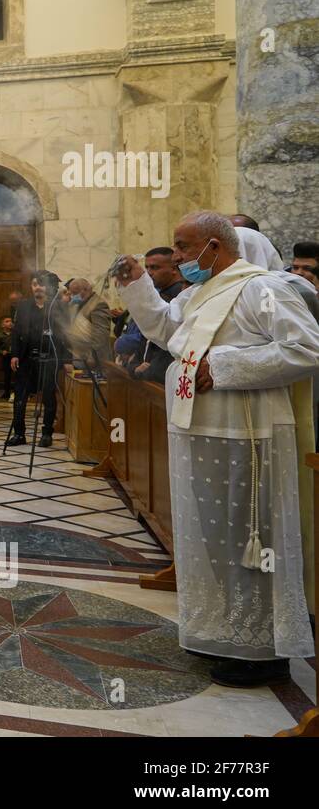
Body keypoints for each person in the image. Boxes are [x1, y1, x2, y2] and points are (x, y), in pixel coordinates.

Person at [115, 210, 318, 687]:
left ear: (215, 246)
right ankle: (222, 634)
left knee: (250, 537)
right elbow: (167, 331)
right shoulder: (197, 292)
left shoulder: (260, 288)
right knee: (212, 538)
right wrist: (137, 285)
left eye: (184, 248)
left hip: (247, 434)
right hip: (197, 429)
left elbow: (306, 349)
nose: (178, 257)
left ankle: (262, 649)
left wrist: (223, 366)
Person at [9, 270, 66, 447]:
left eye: (41, 284)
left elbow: (65, 334)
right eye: (34, 284)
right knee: (20, 396)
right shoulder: (23, 306)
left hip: (49, 358)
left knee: (48, 396)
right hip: (26, 358)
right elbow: (16, 332)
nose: (38, 288)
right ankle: (19, 434)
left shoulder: (56, 307)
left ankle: (46, 434)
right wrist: (15, 354)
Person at [114, 247, 185, 382]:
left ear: (174, 268)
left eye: (155, 267)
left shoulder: (180, 296)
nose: (149, 272)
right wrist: (134, 366)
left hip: (164, 376)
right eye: (147, 268)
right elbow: (147, 337)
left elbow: (172, 341)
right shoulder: (155, 295)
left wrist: (150, 371)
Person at [63, 277, 112, 371]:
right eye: (71, 293)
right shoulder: (80, 303)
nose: (72, 296)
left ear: (85, 290)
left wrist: (92, 355)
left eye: (75, 292)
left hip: (94, 361)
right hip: (79, 358)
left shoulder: (98, 304)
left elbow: (101, 334)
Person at [0, 316, 14, 399]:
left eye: (11, 321)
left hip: (14, 357)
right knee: (7, 375)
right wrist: (1, 351)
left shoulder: (15, 334)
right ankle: (7, 392)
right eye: (7, 321)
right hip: (6, 358)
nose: (10, 323)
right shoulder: (0, 336)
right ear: (2, 325)